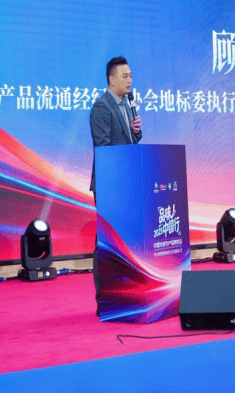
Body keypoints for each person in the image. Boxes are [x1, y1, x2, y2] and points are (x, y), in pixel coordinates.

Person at [89, 56, 142, 315]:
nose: (130, 80)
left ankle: (125, 294)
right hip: (110, 184)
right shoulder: (102, 106)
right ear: (111, 79)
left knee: (125, 243)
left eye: (131, 75)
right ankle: (105, 299)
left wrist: (136, 131)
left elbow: (129, 141)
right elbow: (103, 149)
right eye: (124, 76)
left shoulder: (126, 105)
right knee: (106, 242)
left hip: (126, 182)